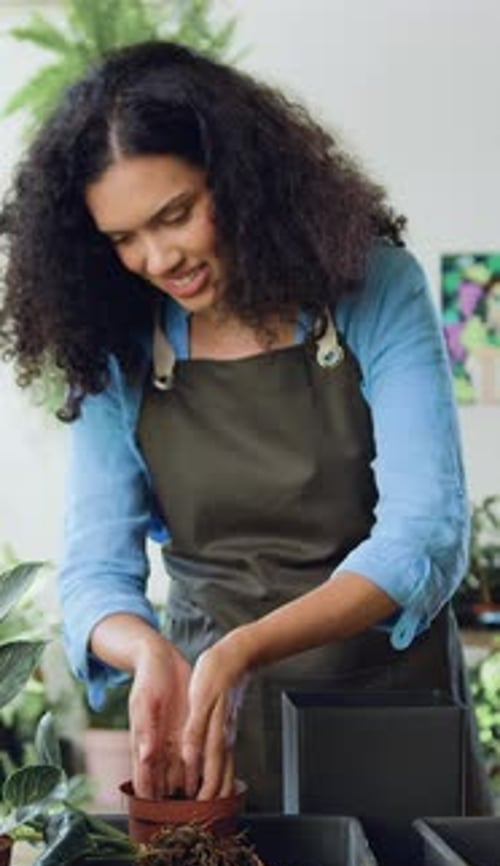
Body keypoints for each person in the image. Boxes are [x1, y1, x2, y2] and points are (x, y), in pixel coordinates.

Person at [0, 40, 492, 813]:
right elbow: (96, 570)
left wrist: (246, 649)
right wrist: (148, 651)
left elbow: (423, 533)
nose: (158, 257)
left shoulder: (371, 288)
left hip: (387, 706)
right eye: (123, 238)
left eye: (177, 214)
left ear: (239, 177)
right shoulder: (118, 342)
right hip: (213, 726)